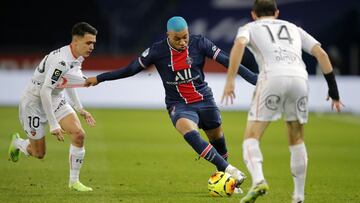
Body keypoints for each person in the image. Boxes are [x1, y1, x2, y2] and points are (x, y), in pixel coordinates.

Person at [85, 16, 258, 189]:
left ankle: (228, 181)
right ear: (168, 35)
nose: (183, 42)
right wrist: (100, 78)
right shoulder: (156, 51)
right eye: (177, 38)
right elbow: (130, 69)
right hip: (179, 104)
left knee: (217, 139)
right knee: (189, 132)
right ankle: (229, 169)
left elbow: (228, 61)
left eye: (185, 37)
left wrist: (255, 79)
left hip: (205, 100)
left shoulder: (200, 43)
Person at [221, 0, 344, 202]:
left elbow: (239, 45)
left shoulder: (249, 27)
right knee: (296, 138)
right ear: (277, 13)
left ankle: (259, 180)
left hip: (272, 77)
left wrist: (230, 80)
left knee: (251, 137)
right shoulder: (293, 28)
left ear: (253, 14)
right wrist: (334, 92)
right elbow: (320, 53)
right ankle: (298, 196)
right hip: (299, 79)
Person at [8, 22, 97, 192]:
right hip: (34, 101)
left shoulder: (78, 57)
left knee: (78, 134)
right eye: (88, 43)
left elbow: (67, 82)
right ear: (75, 42)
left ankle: (74, 182)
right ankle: (18, 143)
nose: (92, 46)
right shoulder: (61, 61)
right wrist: (54, 124)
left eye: (93, 43)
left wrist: (79, 109)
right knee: (39, 153)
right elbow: (44, 91)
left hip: (55, 99)